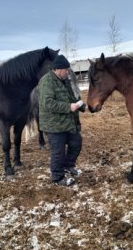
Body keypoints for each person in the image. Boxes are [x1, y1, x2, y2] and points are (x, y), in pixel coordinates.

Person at [38, 55, 85, 186]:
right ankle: (57, 177)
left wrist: (81, 105)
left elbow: (72, 97)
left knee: (76, 143)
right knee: (58, 152)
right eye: (65, 70)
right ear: (57, 69)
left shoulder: (65, 80)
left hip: (67, 122)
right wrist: (68, 107)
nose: (67, 72)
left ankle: (68, 166)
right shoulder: (46, 81)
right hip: (53, 125)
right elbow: (47, 102)